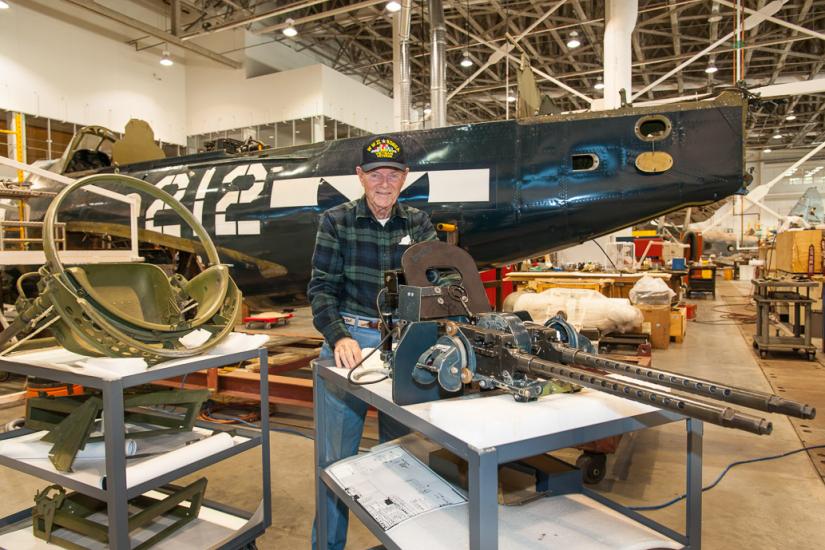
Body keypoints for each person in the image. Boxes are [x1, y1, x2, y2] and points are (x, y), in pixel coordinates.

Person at [308, 136, 437, 550]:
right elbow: (321, 287)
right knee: (336, 462)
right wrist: (338, 335)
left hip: (402, 341)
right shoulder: (336, 221)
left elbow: (437, 277)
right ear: (360, 176)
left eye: (393, 173)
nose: (385, 182)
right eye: (376, 173)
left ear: (405, 178)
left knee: (403, 459)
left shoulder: (418, 223)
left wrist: (455, 295)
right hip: (351, 339)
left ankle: (400, 542)